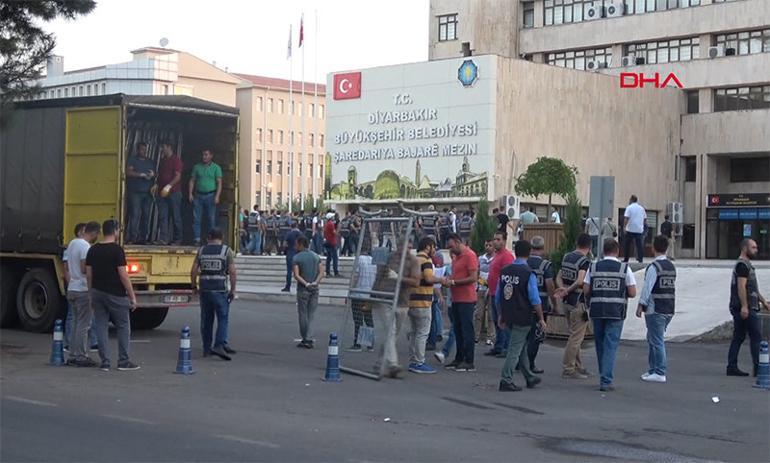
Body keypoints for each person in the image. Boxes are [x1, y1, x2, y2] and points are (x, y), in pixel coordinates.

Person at [584, 238, 637, 391]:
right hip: (616, 311)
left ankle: (603, 374)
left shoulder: (593, 267)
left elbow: (586, 290)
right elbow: (632, 292)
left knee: (600, 344)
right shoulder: (624, 269)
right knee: (610, 345)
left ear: (603, 251)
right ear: (617, 251)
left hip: (597, 310)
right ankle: (606, 380)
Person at [86, 219, 140, 371]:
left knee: (101, 326)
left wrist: (90, 293)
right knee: (123, 326)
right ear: (115, 231)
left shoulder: (93, 249)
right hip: (115, 293)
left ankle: (105, 362)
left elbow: (89, 274)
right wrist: (132, 296)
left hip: (97, 292)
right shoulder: (117, 250)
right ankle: (123, 361)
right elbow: (123, 275)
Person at [497, 240, 547, 391]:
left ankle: (529, 377)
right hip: (522, 315)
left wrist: (500, 314)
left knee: (521, 346)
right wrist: (541, 318)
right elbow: (534, 299)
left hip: (508, 314)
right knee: (515, 348)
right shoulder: (527, 273)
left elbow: (498, 296)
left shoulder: (505, 270)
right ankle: (506, 379)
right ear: (529, 252)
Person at [190, 228, 237, 360]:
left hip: (204, 290)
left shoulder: (201, 251)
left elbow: (193, 270)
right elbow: (232, 272)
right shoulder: (226, 251)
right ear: (221, 237)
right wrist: (232, 290)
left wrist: (194, 286)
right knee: (222, 318)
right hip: (220, 290)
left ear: (209, 237)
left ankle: (206, 348)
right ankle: (219, 345)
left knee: (206, 319)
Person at [636, 235, 676, 383]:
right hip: (669, 307)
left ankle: (659, 371)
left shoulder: (654, 267)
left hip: (656, 308)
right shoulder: (671, 266)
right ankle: (653, 370)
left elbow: (648, 288)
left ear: (654, 248)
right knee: (653, 338)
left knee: (657, 340)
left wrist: (641, 305)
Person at [726, 238, 767, 377]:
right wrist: (744, 306)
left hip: (748, 306)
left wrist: (764, 302)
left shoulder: (747, 265)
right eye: (753, 247)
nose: (756, 250)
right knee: (756, 337)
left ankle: (732, 366)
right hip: (746, 308)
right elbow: (741, 287)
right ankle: (759, 367)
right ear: (745, 249)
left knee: (739, 336)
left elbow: (752, 288)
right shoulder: (742, 265)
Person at [554, 233, 592, 379]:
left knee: (573, 334)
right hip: (578, 302)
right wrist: (568, 290)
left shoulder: (567, 257)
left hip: (566, 302)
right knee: (576, 338)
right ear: (589, 247)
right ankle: (569, 368)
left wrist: (562, 288)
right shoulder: (584, 261)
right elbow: (581, 281)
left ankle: (578, 365)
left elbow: (559, 275)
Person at [408, 237, 446, 374]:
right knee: (422, 333)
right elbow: (429, 278)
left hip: (411, 300)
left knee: (414, 332)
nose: (435, 250)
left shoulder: (413, 260)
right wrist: (441, 279)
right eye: (434, 247)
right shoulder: (427, 261)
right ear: (428, 247)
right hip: (423, 301)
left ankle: (413, 360)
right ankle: (419, 362)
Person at [65, 221, 101, 367]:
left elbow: (68, 265)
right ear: (94, 233)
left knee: (74, 323)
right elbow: (84, 268)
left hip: (72, 287)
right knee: (83, 325)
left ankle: (72, 354)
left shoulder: (73, 243)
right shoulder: (85, 247)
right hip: (82, 288)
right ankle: (81, 355)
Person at [444, 233, 479, 372]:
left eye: (452, 246)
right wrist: (449, 279)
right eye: (448, 248)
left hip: (467, 299)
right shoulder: (456, 257)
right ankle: (459, 358)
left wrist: (454, 282)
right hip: (456, 298)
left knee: (467, 330)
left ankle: (469, 361)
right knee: (458, 330)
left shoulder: (470, 255)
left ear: (459, 242)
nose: (450, 250)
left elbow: (473, 278)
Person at [525, 235, 557, 374]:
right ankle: (530, 364)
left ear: (531, 248)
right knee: (536, 336)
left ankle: (519, 362)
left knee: (523, 336)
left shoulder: (524, 263)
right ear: (543, 249)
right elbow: (550, 285)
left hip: (523, 305)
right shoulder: (546, 265)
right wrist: (554, 303)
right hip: (540, 306)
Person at [484, 231, 515, 358]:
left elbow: (507, 277)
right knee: (497, 321)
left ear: (504, 241)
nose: (495, 241)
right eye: (494, 239)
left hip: (501, 294)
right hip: (493, 292)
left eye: (498, 239)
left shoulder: (507, 256)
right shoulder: (497, 255)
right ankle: (499, 346)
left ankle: (505, 348)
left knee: (504, 321)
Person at [292, 236, 324, 349]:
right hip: (315, 288)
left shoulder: (297, 258)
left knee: (302, 314)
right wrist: (315, 282)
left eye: (296, 244)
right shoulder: (315, 256)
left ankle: (305, 338)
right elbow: (321, 272)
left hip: (303, 288)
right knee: (311, 314)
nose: (295, 246)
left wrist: (306, 283)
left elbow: (296, 275)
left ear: (301, 244)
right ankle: (309, 337)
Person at [188, 149, 223, 246]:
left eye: (206, 155)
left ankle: (211, 240)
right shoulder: (197, 167)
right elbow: (192, 180)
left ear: (211, 156)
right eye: (203, 155)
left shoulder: (216, 168)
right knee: (196, 218)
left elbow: (219, 183)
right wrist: (190, 193)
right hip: (198, 195)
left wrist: (217, 196)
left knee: (211, 219)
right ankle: (197, 239)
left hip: (211, 195)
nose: (204, 157)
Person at [154, 141, 183, 245]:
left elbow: (178, 176)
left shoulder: (176, 160)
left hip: (174, 192)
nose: (162, 149)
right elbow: (160, 175)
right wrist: (156, 185)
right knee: (163, 216)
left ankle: (177, 239)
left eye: (163, 146)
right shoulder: (162, 160)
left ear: (169, 147)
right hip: (162, 193)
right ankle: (163, 239)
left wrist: (169, 186)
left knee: (176, 216)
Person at [125, 142, 155, 244]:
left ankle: (143, 238)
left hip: (147, 193)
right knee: (135, 214)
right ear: (138, 150)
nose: (144, 151)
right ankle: (133, 238)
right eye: (142, 149)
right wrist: (140, 174)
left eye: (145, 149)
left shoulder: (150, 161)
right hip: (135, 193)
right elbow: (128, 172)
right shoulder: (133, 160)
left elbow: (155, 174)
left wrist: (152, 175)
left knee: (146, 216)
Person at [349, 250, 376, 352]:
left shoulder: (358, 260)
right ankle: (370, 344)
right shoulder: (373, 261)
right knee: (368, 319)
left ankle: (357, 343)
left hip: (358, 293)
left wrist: (350, 290)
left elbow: (355, 277)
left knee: (358, 319)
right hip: (369, 294)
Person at [474, 239, 495, 345]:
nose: (488, 247)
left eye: (490, 245)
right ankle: (476, 335)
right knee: (479, 313)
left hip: (491, 289)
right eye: (486, 245)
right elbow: (477, 272)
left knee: (491, 314)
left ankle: (490, 337)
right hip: (481, 288)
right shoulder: (480, 258)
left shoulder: (496, 259)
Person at [622, 195, 647, 263]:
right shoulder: (641, 208)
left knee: (628, 245)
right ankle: (640, 259)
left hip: (630, 229)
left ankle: (626, 259)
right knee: (639, 245)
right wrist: (642, 225)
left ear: (631, 200)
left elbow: (626, 218)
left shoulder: (629, 207)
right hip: (639, 230)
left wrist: (624, 227)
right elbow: (645, 219)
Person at [282, 221, 303, 292]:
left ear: (291, 226)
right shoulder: (300, 234)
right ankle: (301, 287)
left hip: (290, 253)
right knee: (300, 272)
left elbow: (284, 244)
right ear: (297, 226)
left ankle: (288, 287)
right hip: (299, 254)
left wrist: (287, 248)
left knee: (289, 271)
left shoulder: (289, 233)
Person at [323, 212, 340, 277]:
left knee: (329, 258)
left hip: (328, 242)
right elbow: (334, 233)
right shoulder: (331, 224)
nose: (334, 217)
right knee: (335, 258)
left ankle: (328, 272)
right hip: (332, 242)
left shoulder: (327, 224)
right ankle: (336, 272)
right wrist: (338, 229)